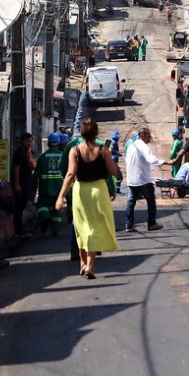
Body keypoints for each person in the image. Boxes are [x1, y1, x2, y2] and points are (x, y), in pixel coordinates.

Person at [55, 119, 119, 279]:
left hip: (80, 191)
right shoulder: (103, 150)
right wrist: (108, 156)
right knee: (96, 227)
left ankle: (83, 263)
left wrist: (60, 197)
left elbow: (70, 174)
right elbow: (113, 171)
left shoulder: (75, 150)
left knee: (81, 227)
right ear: (96, 133)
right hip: (98, 190)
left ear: (81, 133)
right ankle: (89, 265)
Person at [124, 127, 174, 232]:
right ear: (142, 136)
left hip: (132, 180)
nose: (150, 138)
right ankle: (151, 223)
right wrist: (167, 162)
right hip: (143, 179)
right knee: (150, 200)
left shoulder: (131, 146)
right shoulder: (143, 146)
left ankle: (129, 225)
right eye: (148, 136)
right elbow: (152, 159)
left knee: (131, 202)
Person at [33, 132, 65, 235]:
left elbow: (36, 175)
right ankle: (56, 230)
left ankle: (44, 217)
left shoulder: (42, 157)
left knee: (42, 205)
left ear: (48, 143)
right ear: (58, 143)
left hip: (45, 188)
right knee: (57, 209)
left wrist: (33, 188)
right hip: (60, 189)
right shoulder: (63, 156)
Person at [11, 133, 35, 238]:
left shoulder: (26, 152)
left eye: (30, 141)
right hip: (21, 184)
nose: (29, 143)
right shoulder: (19, 152)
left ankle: (21, 228)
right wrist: (17, 184)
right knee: (19, 207)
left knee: (22, 206)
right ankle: (18, 230)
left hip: (25, 183)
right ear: (22, 141)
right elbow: (16, 168)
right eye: (27, 141)